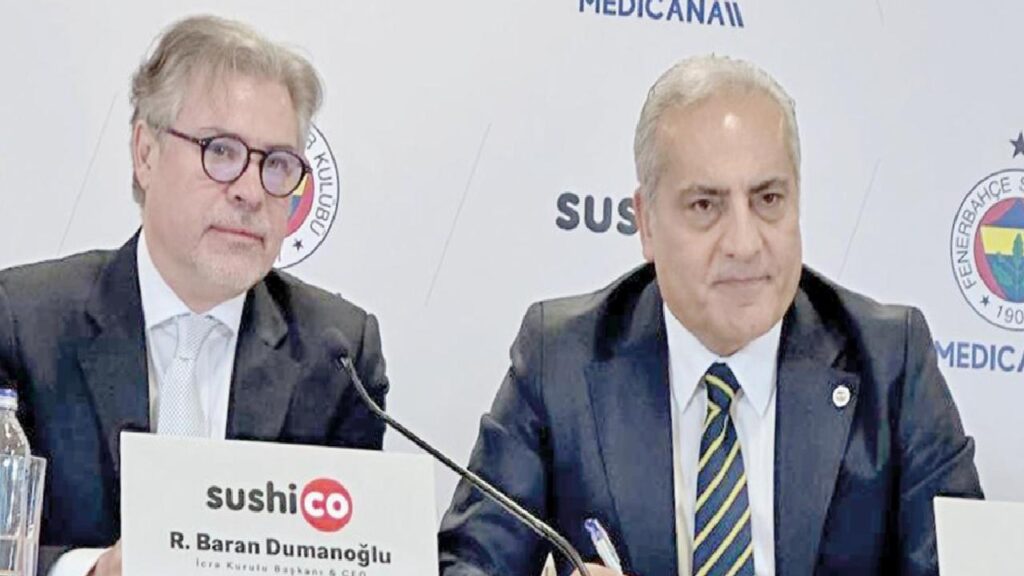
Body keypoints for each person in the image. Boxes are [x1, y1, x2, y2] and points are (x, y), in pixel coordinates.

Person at [438, 55, 983, 576]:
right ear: (646, 223)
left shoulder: (891, 365)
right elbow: (468, 562)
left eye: (768, 200)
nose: (744, 243)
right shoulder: (560, 360)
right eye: (706, 205)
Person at [0, 15, 389, 576]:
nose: (251, 191)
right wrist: (91, 572)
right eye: (221, 151)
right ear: (146, 153)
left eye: (277, 164)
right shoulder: (22, 324)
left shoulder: (337, 354)